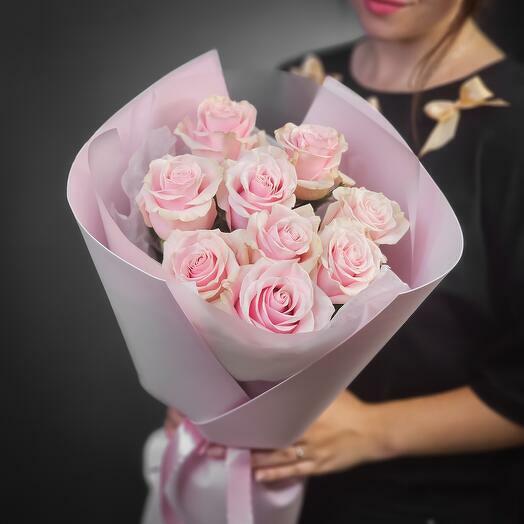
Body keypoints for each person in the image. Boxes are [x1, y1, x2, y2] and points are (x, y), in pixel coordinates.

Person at [165, 1, 524, 521]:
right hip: (276, 496)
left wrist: (374, 432)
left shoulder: (512, 131)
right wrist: (205, 393)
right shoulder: (294, 88)